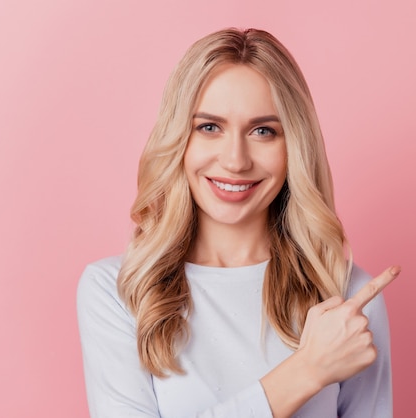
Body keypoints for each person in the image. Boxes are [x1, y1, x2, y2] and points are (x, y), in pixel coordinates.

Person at [77, 27, 399, 418]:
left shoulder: (348, 296)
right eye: (209, 127)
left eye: (263, 131)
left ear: (294, 145)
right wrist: (307, 371)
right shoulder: (118, 292)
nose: (235, 160)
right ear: (179, 137)